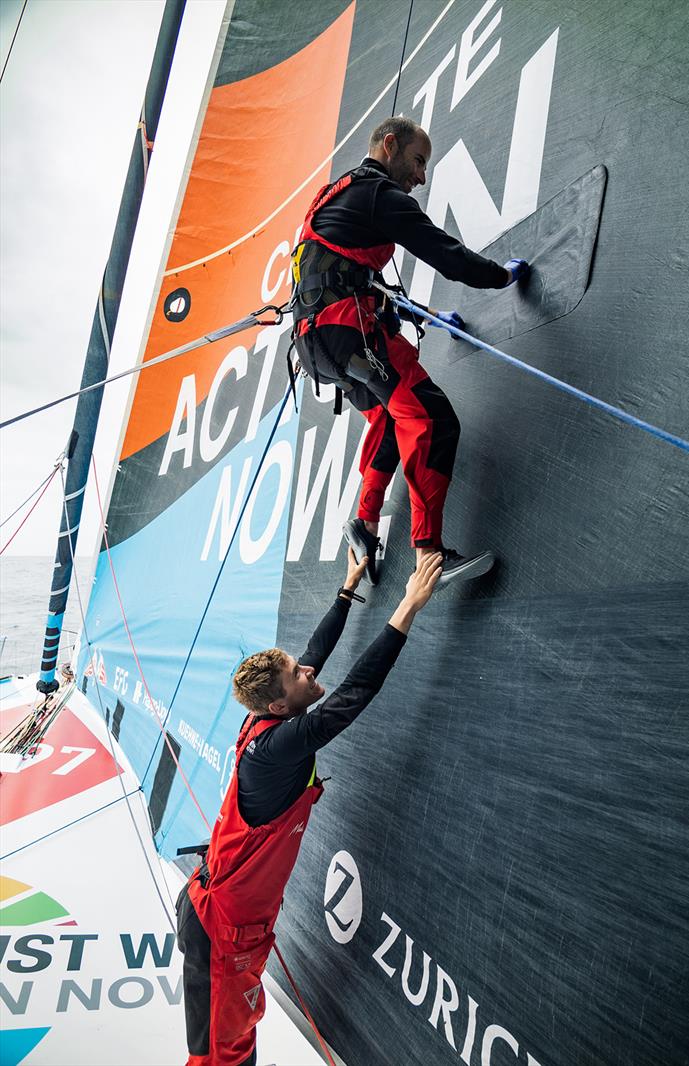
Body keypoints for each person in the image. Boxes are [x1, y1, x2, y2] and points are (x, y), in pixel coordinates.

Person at [176, 548, 442, 1066]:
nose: (307, 670)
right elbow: (350, 697)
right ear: (280, 706)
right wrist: (409, 604)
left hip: (233, 921)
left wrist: (347, 589)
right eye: (298, 675)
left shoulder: (276, 715)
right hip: (222, 930)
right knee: (217, 1057)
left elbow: (317, 651)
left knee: (238, 1036)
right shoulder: (277, 747)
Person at [291, 115, 529, 587]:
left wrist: (423, 315)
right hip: (346, 332)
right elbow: (445, 253)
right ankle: (430, 557)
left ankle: (364, 521)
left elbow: (345, 275)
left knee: (388, 414)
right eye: (418, 162)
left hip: (315, 345)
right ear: (390, 144)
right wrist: (501, 277)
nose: (421, 177)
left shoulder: (341, 193)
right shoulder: (377, 194)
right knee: (433, 419)